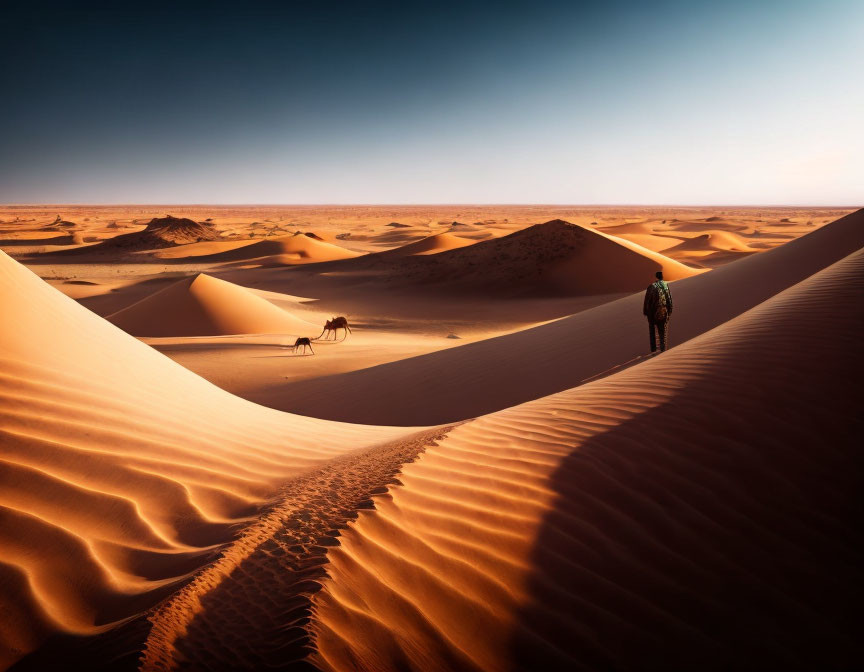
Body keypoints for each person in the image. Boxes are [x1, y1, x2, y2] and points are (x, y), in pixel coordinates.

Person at [643, 270, 673, 353]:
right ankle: (663, 350)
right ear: (662, 277)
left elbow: (647, 300)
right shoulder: (666, 285)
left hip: (652, 312)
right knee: (662, 332)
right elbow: (669, 299)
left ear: (656, 277)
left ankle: (653, 351)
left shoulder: (651, 286)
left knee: (652, 332)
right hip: (663, 311)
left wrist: (646, 312)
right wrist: (669, 311)